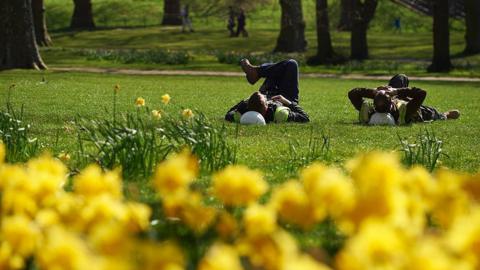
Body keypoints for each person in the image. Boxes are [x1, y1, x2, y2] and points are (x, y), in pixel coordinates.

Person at [348, 74, 460, 125]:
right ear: (391, 100)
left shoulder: (368, 110)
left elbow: (353, 93)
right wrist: (396, 91)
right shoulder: (405, 111)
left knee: (400, 78)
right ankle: (446, 114)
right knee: (436, 114)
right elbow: (422, 93)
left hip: (397, 97)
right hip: (419, 111)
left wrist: (376, 91)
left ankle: (398, 92)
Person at [225, 59, 309, 124]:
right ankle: (257, 72)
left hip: (268, 91)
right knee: (291, 64)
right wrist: (287, 102)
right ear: (266, 107)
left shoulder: (243, 110)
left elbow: (228, 114)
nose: (264, 96)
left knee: (273, 68)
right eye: (265, 99)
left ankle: (256, 72)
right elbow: (305, 117)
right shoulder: (279, 114)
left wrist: (246, 101)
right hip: (285, 97)